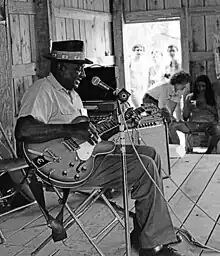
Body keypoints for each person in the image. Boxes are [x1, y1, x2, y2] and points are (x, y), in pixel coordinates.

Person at [15, 40, 187, 256]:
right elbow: (23, 130)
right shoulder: (42, 90)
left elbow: (87, 137)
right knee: (145, 166)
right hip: (63, 168)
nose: (83, 75)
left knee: (151, 154)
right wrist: (71, 130)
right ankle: (152, 246)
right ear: (60, 67)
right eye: (78, 69)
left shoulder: (73, 95)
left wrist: (119, 124)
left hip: (84, 157)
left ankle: (145, 230)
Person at [172, 74, 220, 153]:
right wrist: (188, 107)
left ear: (207, 86)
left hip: (209, 124)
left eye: (203, 86)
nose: (200, 88)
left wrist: (206, 107)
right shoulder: (190, 97)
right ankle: (179, 150)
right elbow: (185, 117)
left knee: (218, 130)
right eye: (198, 86)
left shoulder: (213, 97)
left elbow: (217, 113)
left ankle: (209, 151)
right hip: (193, 124)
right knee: (173, 126)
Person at [143, 70, 191, 144]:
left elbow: (174, 106)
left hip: (160, 103)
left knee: (170, 121)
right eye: (183, 84)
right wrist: (169, 117)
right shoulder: (166, 87)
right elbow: (161, 106)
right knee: (163, 121)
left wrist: (175, 118)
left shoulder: (178, 90)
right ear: (177, 82)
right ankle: (170, 142)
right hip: (150, 100)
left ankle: (172, 142)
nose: (184, 87)